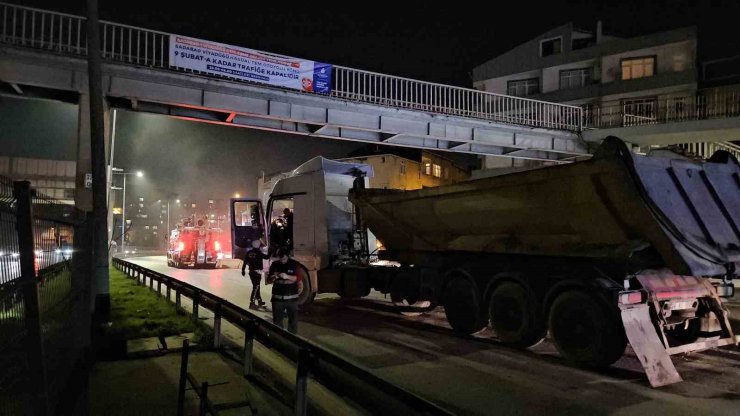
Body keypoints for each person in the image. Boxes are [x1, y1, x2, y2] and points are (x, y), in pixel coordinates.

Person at [266, 247, 303, 333]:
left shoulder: (295, 264)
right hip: (277, 298)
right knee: (277, 321)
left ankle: (292, 338)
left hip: (291, 298)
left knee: (293, 321)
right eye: (280, 258)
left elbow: (298, 278)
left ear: (288, 256)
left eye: (284, 259)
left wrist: (287, 276)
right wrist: (272, 277)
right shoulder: (275, 265)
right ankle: (279, 338)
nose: (282, 260)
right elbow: (268, 280)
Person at [241, 239, 268, 310]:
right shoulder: (258, 252)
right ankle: (251, 303)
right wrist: (271, 251)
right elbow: (266, 257)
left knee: (256, 286)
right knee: (256, 287)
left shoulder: (249, 252)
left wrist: (243, 270)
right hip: (257, 272)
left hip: (251, 272)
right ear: (258, 245)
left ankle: (259, 301)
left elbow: (245, 262)